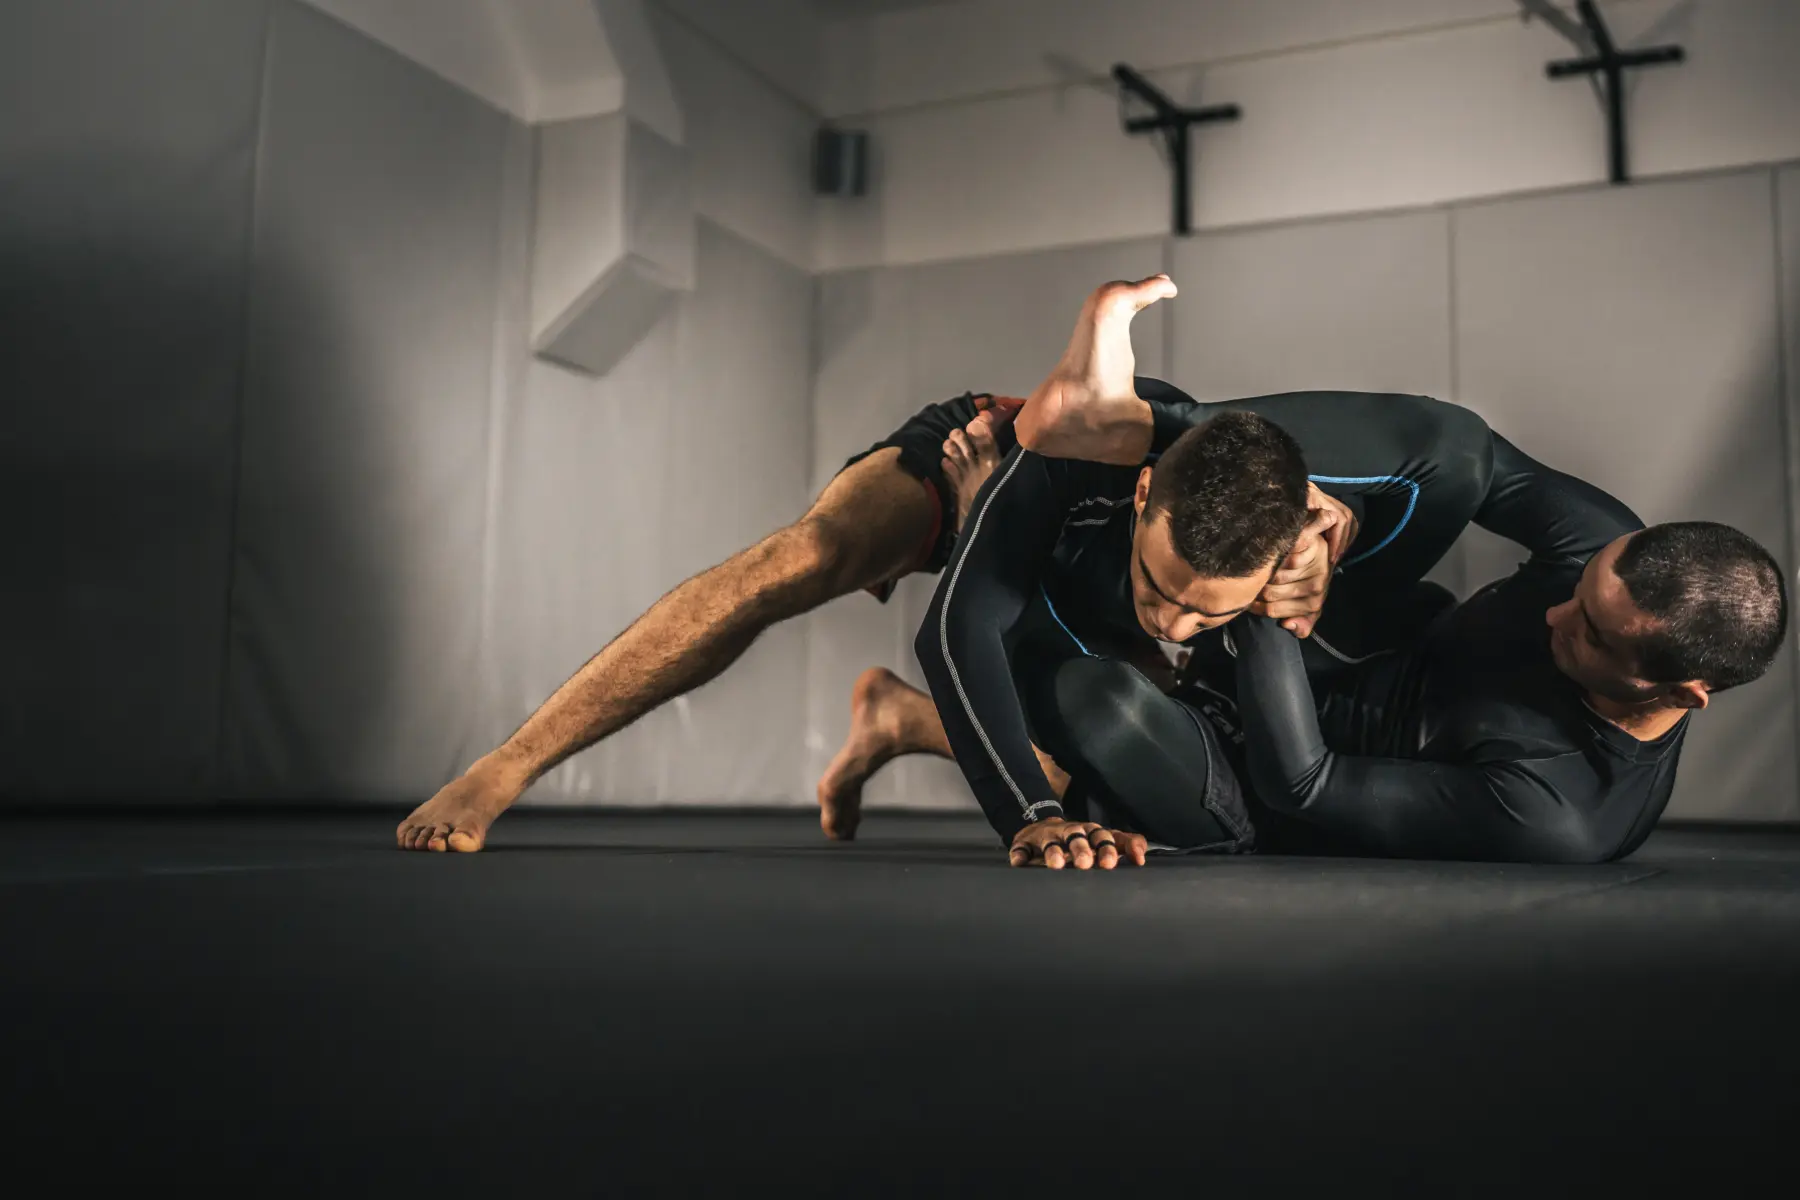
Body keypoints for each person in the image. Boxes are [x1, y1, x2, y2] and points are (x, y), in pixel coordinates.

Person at [997, 281, 1790, 865]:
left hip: (1257, 785)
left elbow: (1303, 784)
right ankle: (1123, 423)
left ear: (1681, 693)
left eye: (1587, 632)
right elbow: (1466, 458)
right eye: (1578, 593)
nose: (1557, 614)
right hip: (1341, 652)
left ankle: (943, 718)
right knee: (1459, 447)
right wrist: (1287, 508)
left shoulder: (1564, 810)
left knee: (1092, 698)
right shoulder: (1604, 551)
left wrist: (1277, 569)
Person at [394, 309, 1244, 851]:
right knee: (802, 557)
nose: (1181, 627)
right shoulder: (1160, 456)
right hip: (980, 458)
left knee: (1098, 769)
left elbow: (1033, 652)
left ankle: (898, 719)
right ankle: (506, 765)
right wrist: (987, 504)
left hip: (1044, 559)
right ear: (1143, 498)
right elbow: (965, 622)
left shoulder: (1233, 561)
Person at [905, 277, 1524, 869]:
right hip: (1118, 615)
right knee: (1034, 605)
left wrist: (1344, 538)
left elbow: (1456, 450)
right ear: (1145, 491)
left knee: (1099, 701)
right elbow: (955, 630)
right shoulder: (1088, 453)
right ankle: (990, 531)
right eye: (1162, 587)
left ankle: (984, 532)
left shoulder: (1311, 548)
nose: (1174, 625)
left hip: (1252, 761)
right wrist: (1030, 814)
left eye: (1210, 611)